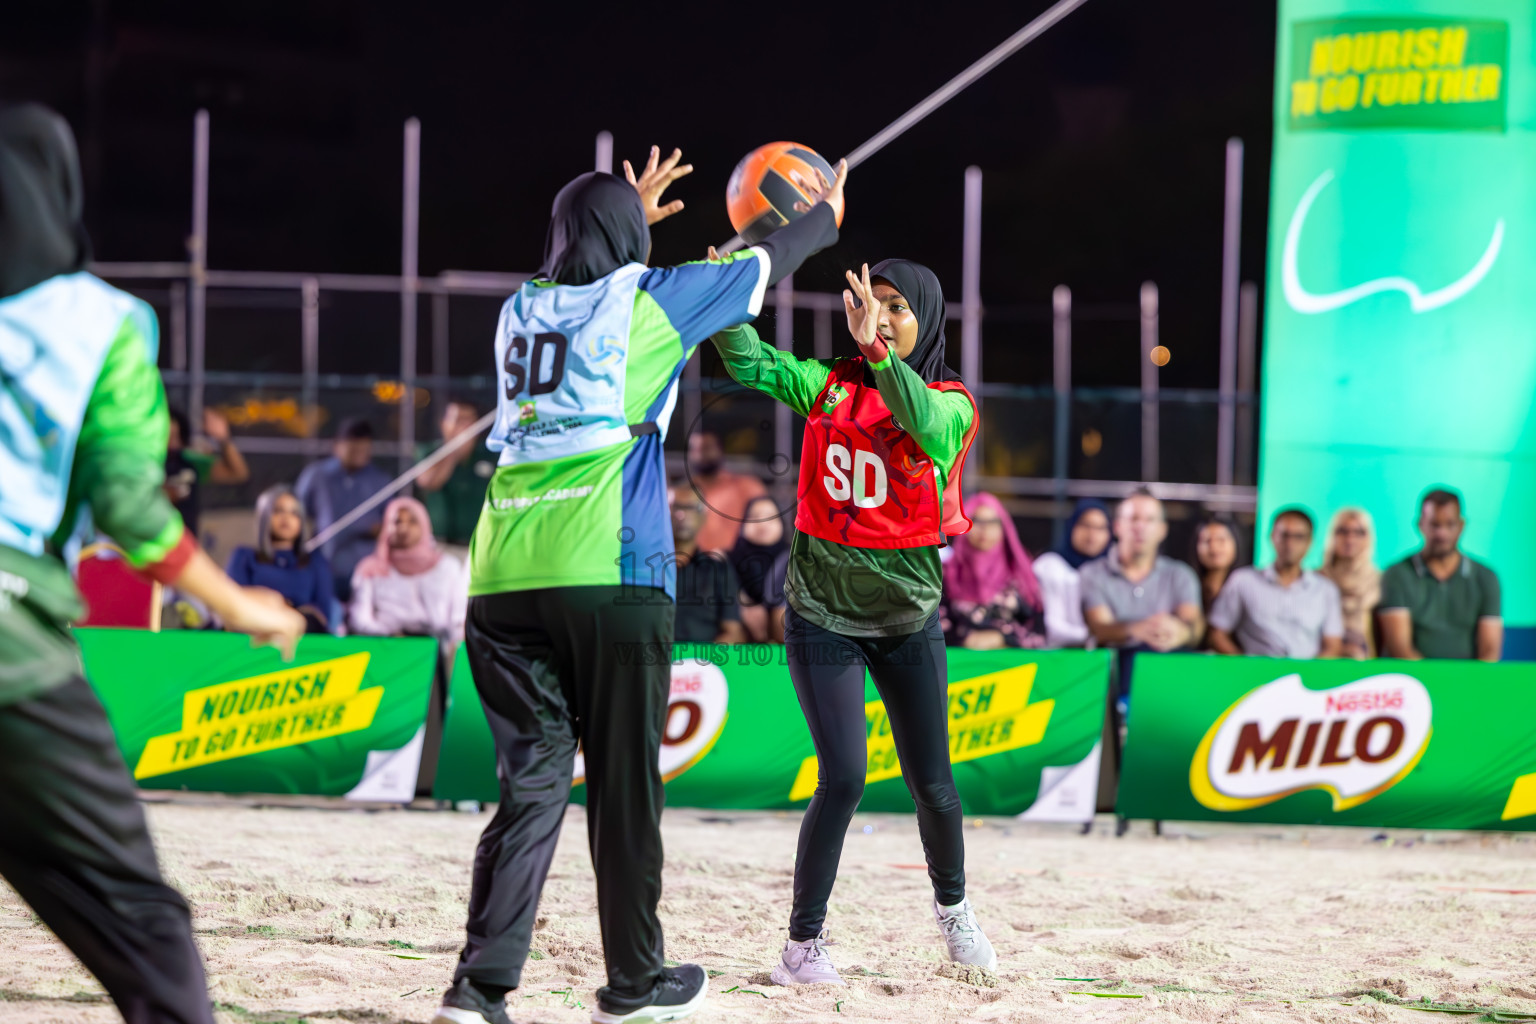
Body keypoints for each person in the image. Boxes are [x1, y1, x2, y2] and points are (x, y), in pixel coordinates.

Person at [435, 145, 845, 1024]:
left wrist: (621, 213)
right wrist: (827, 210)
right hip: (610, 571)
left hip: (502, 574)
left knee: (532, 787)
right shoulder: (651, 300)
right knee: (624, 787)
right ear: (628, 242)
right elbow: (778, 252)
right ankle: (632, 986)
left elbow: (579, 262)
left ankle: (477, 992)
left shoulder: (518, 308)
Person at [0, 103, 304, 1024]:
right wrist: (241, 604)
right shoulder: (96, 323)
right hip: (11, 642)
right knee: (143, 925)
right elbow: (133, 509)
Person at [710, 258, 997, 987]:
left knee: (933, 782)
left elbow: (922, 423)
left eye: (900, 308)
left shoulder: (953, 401)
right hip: (820, 612)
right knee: (843, 778)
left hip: (906, 616)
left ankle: (954, 910)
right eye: (874, 304)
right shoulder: (827, 384)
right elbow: (750, 359)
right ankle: (801, 948)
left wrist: (877, 353)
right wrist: (719, 296)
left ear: (926, 319)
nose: (885, 316)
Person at [1378, 488, 1501, 662]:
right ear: (1420, 524)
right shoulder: (1397, 574)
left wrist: (1470, 684)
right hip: (1413, 681)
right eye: (1434, 524)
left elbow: (1489, 650)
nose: (1442, 534)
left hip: (1467, 682)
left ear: (1461, 526)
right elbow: (1400, 647)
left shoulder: (1486, 578)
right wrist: (1433, 683)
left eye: (1450, 524)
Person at [1207, 508, 1343, 659]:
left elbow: (1332, 645)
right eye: (1284, 535)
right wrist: (1244, 666)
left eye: (1298, 537)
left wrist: (1311, 674)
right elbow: (1217, 634)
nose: (1290, 544)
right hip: (1256, 676)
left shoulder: (1325, 589)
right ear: (1272, 536)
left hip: (1306, 676)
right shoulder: (1243, 581)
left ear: (1309, 542)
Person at [1081, 490, 1204, 655]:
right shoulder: (1092, 573)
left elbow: (1193, 624)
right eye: (1133, 519)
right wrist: (1136, 629)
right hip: (1112, 672)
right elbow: (1099, 627)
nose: (1140, 527)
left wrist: (1181, 631)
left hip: (1167, 670)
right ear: (1117, 526)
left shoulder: (1181, 575)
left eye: (1150, 520)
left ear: (1162, 530)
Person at [295, 417, 391, 604]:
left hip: (365, 569)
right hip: (323, 563)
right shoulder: (317, 475)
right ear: (337, 446)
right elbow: (297, 512)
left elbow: (392, 521)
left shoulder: (381, 480)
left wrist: (380, 529)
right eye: (353, 448)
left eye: (365, 449)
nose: (360, 454)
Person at [349, 497, 467, 647]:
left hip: (438, 649)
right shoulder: (370, 569)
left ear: (424, 525)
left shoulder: (448, 567)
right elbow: (359, 619)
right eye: (397, 522)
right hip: (386, 647)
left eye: (412, 521)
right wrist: (390, 636)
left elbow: (458, 620)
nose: (403, 528)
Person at [940, 492, 1045, 650]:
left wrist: (1002, 638)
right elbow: (934, 629)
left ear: (1004, 527)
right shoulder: (947, 574)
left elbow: (1039, 633)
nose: (984, 529)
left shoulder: (1022, 574)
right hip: (958, 667)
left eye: (992, 522)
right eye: (976, 521)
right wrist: (965, 638)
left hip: (1016, 668)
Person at [226, 485, 336, 633]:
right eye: (278, 510)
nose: (286, 518)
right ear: (264, 515)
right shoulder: (243, 557)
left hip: (304, 638)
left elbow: (323, 615)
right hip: (252, 634)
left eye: (294, 513)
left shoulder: (316, 562)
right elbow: (232, 604)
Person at [669, 485, 746, 645]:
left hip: (704, 664)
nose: (682, 515)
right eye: (676, 507)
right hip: (652, 662)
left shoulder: (719, 569)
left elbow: (732, 632)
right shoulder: (645, 569)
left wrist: (700, 663)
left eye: (691, 508)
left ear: (703, 516)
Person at [416, 399, 494, 556]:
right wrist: (452, 449)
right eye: (457, 420)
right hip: (440, 546)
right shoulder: (430, 452)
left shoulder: (489, 454)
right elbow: (429, 482)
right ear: (444, 423)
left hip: (481, 544)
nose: (463, 426)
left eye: (468, 420)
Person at [1031, 499, 1111, 648]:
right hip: (1056, 659)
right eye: (1086, 525)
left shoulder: (1111, 570)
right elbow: (1051, 628)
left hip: (1100, 659)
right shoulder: (1049, 565)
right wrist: (1099, 636)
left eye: (1100, 528)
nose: (1092, 534)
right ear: (1072, 526)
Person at [163, 405, 250, 539]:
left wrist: (223, 439)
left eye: (176, 437)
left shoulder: (190, 461)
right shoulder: (142, 464)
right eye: (165, 437)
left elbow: (238, 474)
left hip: (185, 545)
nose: (171, 444)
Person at [687, 430, 767, 554]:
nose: (700, 454)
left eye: (707, 448)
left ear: (720, 450)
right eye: (695, 449)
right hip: (695, 564)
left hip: (738, 563)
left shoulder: (746, 487)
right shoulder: (682, 492)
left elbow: (767, 526)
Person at [1320, 506, 1381, 659]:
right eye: (1343, 531)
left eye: (1358, 532)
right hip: (1322, 658)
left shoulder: (1380, 580)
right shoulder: (1316, 579)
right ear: (1332, 535)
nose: (1350, 539)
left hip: (1368, 660)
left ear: (1368, 537)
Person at [729, 494, 789, 642]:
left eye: (771, 517)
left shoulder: (796, 559)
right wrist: (741, 605)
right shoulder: (726, 560)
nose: (762, 524)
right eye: (755, 517)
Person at [1191, 514, 1243, 618]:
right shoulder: (1187, 587)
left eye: (1221, 540)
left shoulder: (1246, 588)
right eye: (1207, 541)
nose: (1214, 547)